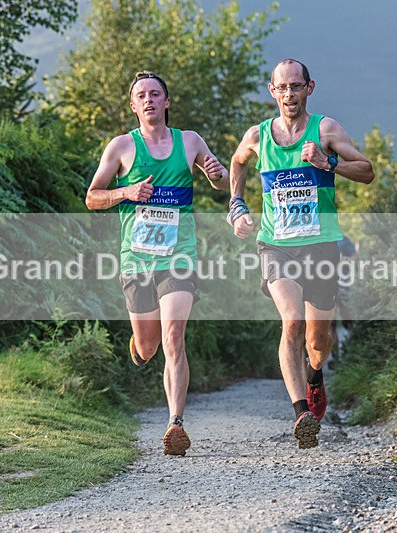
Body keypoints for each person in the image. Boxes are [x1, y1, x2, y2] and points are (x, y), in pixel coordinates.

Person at [227, 59, 374, 449]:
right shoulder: (258, 136)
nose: (289, 94)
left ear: (310, 88)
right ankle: (301, 414)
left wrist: (328, 163)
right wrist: (236, 206)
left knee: (317, 340)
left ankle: (315, 376)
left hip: (321, 245)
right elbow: (237, 163)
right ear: (272, 91)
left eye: (297, 86)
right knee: (290, 321)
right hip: (276, 245)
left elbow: (367, 170)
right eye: (282, 87)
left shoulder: (325, 129)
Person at [86, 71, 229, 456]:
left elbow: (223, 181)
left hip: (178, 255)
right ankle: (139, 343)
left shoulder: (190, 142)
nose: (148, 100)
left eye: (155, 94)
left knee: (173, 337)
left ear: (167, 102)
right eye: (141, 96)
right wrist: (127, 191)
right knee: (149, 347)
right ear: (133, 105)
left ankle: (175, 423)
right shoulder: (121, 147)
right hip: (136, 258)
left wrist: (218, 175)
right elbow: (92, 197)